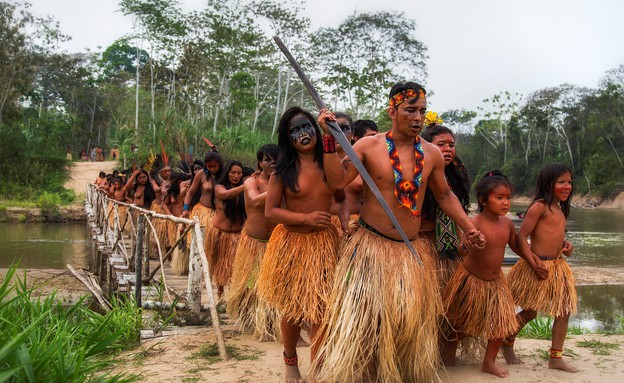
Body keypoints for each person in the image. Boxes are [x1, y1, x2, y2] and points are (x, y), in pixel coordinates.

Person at [313, 82, 485, 382]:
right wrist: (329, 141)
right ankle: (364, 374)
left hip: (410, 250)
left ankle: (399, 373)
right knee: (367, 322)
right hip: (371, 246)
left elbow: (445, 196)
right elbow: (336, 181)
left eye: (421, 111)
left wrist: (469, 228)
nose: (417, 117)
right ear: (392, 111)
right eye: (410, 110)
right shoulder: (368, 146)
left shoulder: (430, 153)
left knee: (407, 323)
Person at [256, 107, 341, 383]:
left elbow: (341, 184)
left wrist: (330, 132)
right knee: (293, 309)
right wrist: (304, 217)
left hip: (324, 245)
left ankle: (319, 363)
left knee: (322, 309)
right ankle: (290, 361)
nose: (302, 134)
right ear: (287, 138)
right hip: (293, 244)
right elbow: (271, 212)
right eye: (294, 131)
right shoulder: (283, 170)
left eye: (306, 127)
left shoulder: (328, 162)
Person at [442, 170, 537, 378]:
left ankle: (489, 362)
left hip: (496, 282)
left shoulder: (508, 224)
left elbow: (516, 245)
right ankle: (449, 349)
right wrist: (467, 245)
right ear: (484, 201)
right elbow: (460, 249)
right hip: (472, 280)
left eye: (508, 198)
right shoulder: (474, 222)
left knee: (501, 324)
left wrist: (532, 259)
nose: (506, 203)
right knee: (462, 323)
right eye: (500, 198)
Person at [503, 163, 578, 373]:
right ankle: (507, 341)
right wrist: (532, 262)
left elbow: (555, 236)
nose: (567, 186)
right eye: (561, 182)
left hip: (557, 267)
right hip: (538, 267)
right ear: (548, 183)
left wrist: (566, 246)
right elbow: (520, 237)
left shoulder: (561, 208)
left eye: (569, 182)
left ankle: (556, 357)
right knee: (529, 313)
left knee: (564, 310)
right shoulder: (539, 206)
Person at [227, 144, 280, 341]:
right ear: (260, 162)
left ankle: (268, 322)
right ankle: (250, 317)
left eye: (275, 159)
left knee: (271, 284)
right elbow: (256, 200)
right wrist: (278, 187)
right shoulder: (252, 181)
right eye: (267, 159)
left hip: (274, 243)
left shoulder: (285, 181)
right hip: (253, 243)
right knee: (251, 284)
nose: (271, 163)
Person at [420, 122, 471, 288]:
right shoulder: (419, 173)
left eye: (451, 145)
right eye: (441, 144)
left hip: (451, 248)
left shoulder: (458, 175)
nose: (448, 149)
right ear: (427, 147)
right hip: (423, 244)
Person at [209, 160, 246, 296]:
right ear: (227, 173)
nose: (236, 176)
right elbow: (226, 195)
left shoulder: (244, 190)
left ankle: (234, 295)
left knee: (235, 267)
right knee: (221, 266)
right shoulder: (219, 187)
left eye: (239, 173)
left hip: (237, 235)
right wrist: (246, 185)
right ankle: (220, 294)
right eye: (233, 173)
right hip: (220, 234)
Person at [163, 172, 191, 275]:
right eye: (179, 182)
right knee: (172, 243)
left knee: (184, 245)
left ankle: (185, 266)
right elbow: (165, 205)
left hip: (185, 222)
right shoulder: (172, 193)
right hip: (174, 221)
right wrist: (170, 215)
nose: (181, 184)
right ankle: (173, 262)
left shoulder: (189, 192)